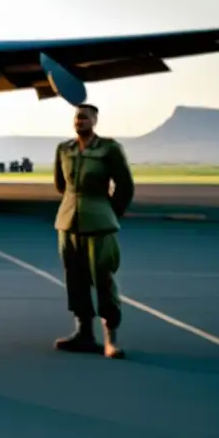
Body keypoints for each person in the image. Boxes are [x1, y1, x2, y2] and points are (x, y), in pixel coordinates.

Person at [52, 103, 134, 359]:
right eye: (77, 118)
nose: (80, 121)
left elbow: (125, 186)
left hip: (99, 222)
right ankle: (83, 334)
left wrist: (108, 213)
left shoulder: (109, 149)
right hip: (68, 222)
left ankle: (111, 339)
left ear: (95, 121)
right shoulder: (64, 149)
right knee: (74, 279)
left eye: (85, 118)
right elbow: (60, 184)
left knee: (103, 278)